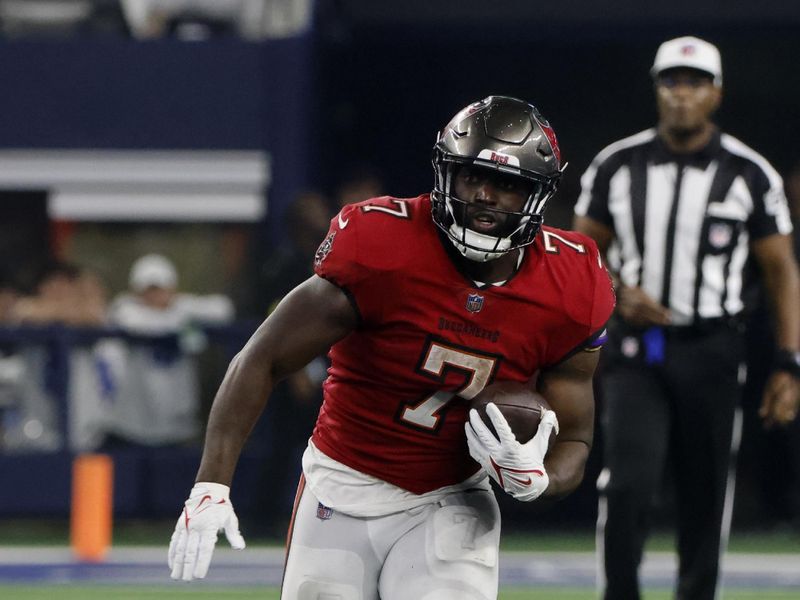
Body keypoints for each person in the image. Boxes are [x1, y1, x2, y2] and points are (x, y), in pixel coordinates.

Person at [168, 95, 615, 598]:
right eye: (472, 176)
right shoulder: (382, 244)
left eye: (508, 184)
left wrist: (539, 480)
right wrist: (211, 484)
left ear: (537, 195)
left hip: (453, 497)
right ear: (445, 174)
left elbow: (576, 437)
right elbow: (262, 358)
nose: (486, 195)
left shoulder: (574, 283)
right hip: (342, 484)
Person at [573, 36, 800, 600]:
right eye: (671, 81)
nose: (681, 94)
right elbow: (577, 257)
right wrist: (619, 294)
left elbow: (782, 273)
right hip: (636, 349)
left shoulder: (750, 174)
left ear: (715, 94)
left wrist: (790, 363)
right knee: (628, 486)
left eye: (694, 82)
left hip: (714, 348)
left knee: (706, 494)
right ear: (657, 89)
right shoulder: (617, 165)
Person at [102, 253, 235, 447]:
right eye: (148, 290)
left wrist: (179, 310)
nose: (155, 296)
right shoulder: (125, 309)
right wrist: (181, 321)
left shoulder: (182, 309)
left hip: (178, 426)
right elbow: (136, 323)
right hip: (132, 426)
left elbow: (224, 309)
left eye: (160, 289)